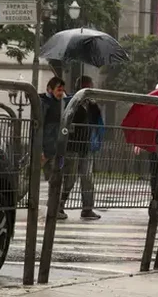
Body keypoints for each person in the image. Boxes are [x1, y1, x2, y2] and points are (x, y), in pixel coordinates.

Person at [58, 76, 102, 221]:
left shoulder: (91, 105)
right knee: (69, 178)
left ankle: (87, 208)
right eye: (89, 86)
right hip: (72, 146)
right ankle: (59, 205)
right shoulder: (72, 102)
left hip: (85, 146)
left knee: (87, 177)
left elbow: (96, 121)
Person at [40, 77, 65, 183]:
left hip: (55, 148)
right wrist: (40, 149)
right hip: (45, 148)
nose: (61, 93)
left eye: (62, 90)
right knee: (32, 173)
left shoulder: (61, 103)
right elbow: (39, 126)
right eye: (59, 90)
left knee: (54, 178)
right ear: (50, 89)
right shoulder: (44, 103)